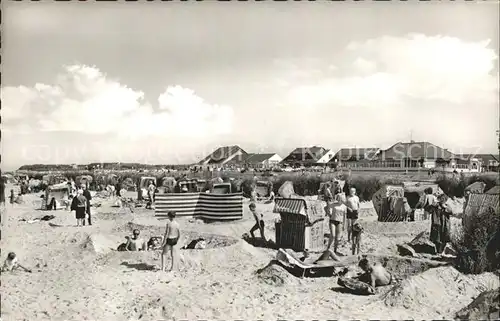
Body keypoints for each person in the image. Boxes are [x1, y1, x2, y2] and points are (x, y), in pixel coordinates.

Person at [327, 186, 346, 254]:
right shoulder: (333, 204)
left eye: (340, 199)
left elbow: (344, 216)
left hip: (340, 222)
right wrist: (329, 214)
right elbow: (326, 208)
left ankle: (335, 250)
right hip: (333, 221)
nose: (339, 200)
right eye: (338, 198)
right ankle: (328, 248)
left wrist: (344, 224)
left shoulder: (344, 206)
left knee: (338, 238)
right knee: (333, 235)